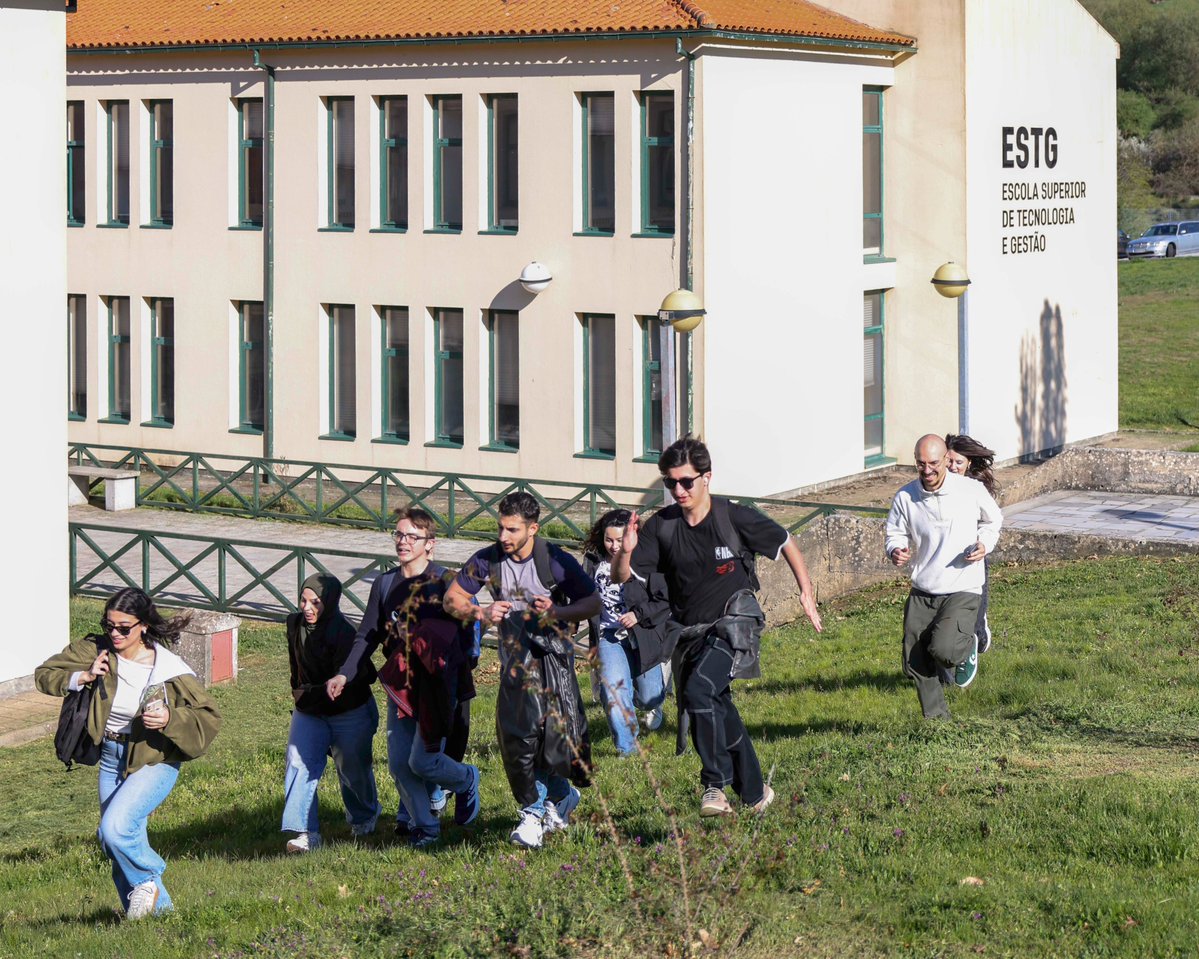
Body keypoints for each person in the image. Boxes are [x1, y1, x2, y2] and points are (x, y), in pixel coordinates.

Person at [611, 436, 823, 818]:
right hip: (689, 632)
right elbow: (621, 576)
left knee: (699, 690)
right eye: (670, 482)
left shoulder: (733, 517)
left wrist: (806, 592)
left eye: (686, 481)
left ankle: (715, 785)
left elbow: (785, 541)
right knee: (717, 705)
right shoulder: (663, 526)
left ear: (707, 477)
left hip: (734, 623)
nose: (678, 490)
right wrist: (625, 551)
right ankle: (756, 793)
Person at [35, 587, 221, 919]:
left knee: (116, 829)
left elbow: (208, 717)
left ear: (143, 625)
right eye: (109, 626)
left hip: (154, 757)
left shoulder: (168, 670)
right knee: (115, 840)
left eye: (124, 628)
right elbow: (44, 675)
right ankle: (157, 918)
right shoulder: (97, 651)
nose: (115, 634)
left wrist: (169, 718)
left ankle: (147, 879)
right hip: (110, 756)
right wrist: (83, 676)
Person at [444, 491, 601, 849]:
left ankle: (545, 806)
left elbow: (592, 602)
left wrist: (557, 612)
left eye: (512, 529)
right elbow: (452, 599)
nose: (503, 536)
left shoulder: (555, 561)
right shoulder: (487, 560)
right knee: (520, 737)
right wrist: (481, 612)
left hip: (553, 660)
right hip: (515, 661)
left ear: (533, 528)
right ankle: (543, 806)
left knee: (547, 737)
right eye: (501, 527)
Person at [327, 506, 481, 848]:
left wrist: (457, 670)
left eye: (412, 536)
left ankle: (466, 779)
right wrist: (344, 674)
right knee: (399, 765)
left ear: (430, 544)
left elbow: (471, 630)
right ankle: (426, 827)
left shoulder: (448, 582)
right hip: (402, 687)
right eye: (399, 534)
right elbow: (367, 634)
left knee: (422, 761)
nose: (403, 541)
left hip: (439, 687)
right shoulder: (384, 584)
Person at [885, 434, 1003, 719]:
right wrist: (895, 550)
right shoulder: (905, 497)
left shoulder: (970, 489)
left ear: (945, 460)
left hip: (963, 585)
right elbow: (895, 533)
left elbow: (994, 520)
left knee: (946, 650)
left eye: (934, 463)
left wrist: (984, 543)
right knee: (914, 661)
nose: (927, 470)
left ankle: (970, 639)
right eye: (921, 464)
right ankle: (937, 721)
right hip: (923, 588)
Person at [281, 573, 381, 853]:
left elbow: (349, 683)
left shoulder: (345, 633)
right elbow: (296, 666)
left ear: (331, 601)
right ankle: (306, 832)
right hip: (310, 708)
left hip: (349, 709)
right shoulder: (294, 625)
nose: (307, 608)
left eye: (315, 602)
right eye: (303, 600)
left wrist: (309, 692)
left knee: (352, 768)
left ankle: (364, 816)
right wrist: (299, 692)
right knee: (298, 761)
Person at [583, 509, 671, 756]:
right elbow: (582, 594)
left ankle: (652, 702)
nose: (614, 546)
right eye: (608, 540)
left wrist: (638, 615)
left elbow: (665, 599)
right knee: (614, 691)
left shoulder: (647, 561)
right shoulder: (593, 561)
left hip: (644, 634)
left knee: (650, 696)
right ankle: (627, 749)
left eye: (619, 541)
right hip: (608, 636)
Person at [945, 433, 998, 654]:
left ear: (968, 463)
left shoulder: (976, 489)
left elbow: (992, 521)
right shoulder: (933, 485)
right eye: (949, 461)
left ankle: (980, 634)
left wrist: (982, 544)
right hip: (944, 559)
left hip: (973, 555)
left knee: (973, 610)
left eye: (958, 462)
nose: (953, 467)